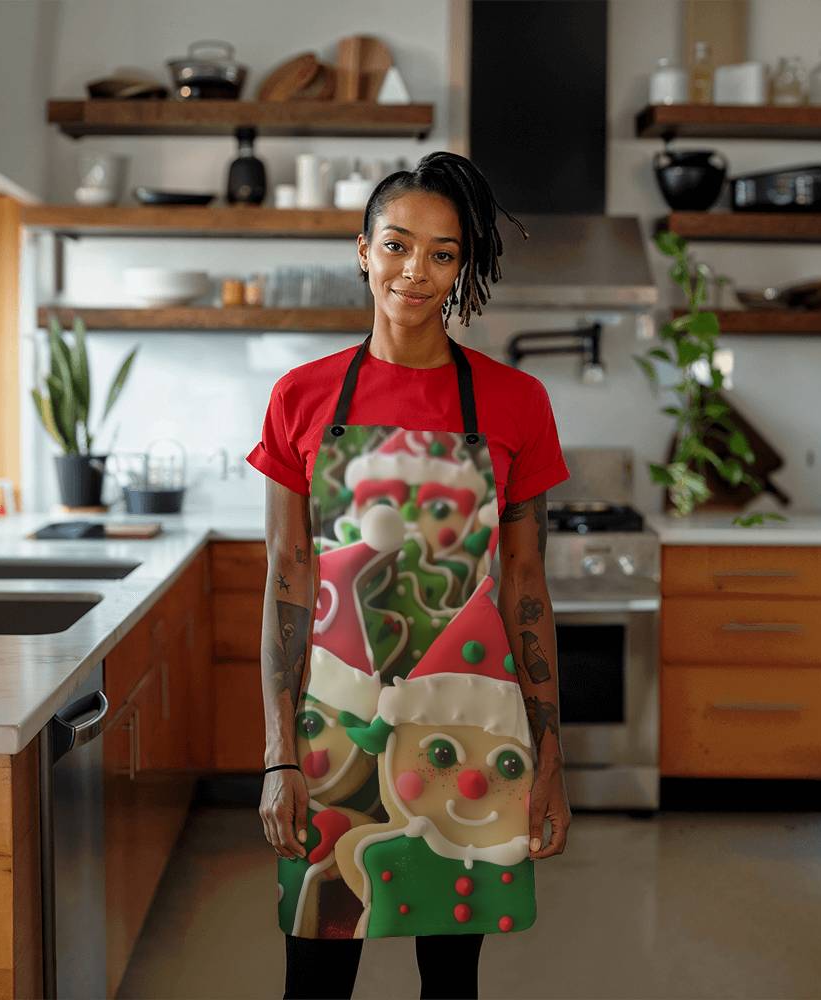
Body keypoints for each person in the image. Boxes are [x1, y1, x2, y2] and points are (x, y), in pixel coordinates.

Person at [246, 150, 572, 1000]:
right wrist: (281, 753)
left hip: (470, 726)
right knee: (317, 968)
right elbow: (288, 578)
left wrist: (549, 756)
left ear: (463, 267)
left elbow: (526, 589)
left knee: (451, 979)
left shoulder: (515, 403)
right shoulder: (300, 398)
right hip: (332, 729)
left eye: (442, 254)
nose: (415, 273)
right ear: (362, 250)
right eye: (396, 245)